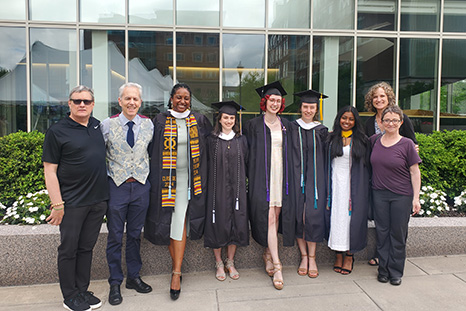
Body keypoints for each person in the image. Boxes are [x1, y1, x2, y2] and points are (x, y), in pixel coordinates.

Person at [43, 85, 109, 311]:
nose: (82, 105)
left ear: (92, 104)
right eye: (77, 101)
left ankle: (82, 290)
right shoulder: (57, 131)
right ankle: (69, 295)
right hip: (71, 203)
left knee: (86, 248)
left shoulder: (97, 125)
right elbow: (50, 171)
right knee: (69, 249)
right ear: (69, 103)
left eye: (87, 101)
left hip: (97, 201)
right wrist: (57, 204)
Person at [145, 83, 212, 300]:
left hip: (189, 180)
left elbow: (210, 147)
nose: (182, 102)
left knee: (179, 221)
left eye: (186, 98)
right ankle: (178, 268)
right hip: (166, 181)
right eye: (178, 97)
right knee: (171, 221)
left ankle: (176, 273)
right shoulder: (161, 120)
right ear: (171, 99)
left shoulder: (199, 120)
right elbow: (150, 148)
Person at [100, 83, 153, 306]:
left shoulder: (149, 125)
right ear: (119, 101)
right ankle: (115, 282)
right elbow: (96, 156)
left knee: (134, 234)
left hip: (140, 186)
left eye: (136, 99)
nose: (132, 102)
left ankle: (133, 277)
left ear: (140, 102)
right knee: (114, 236)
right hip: (117, 187)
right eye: (127, 98)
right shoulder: (106, 125)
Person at [244, 81, 294, 290]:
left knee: (277, 215)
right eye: (271, 100)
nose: (274, 103)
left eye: (278, 101)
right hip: (261, 178)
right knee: (270, 217)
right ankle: (277, 264)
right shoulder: (253, 125)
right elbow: (246, 154)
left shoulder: (287, 125)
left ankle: (266, 253)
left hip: (281, 176)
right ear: (264, 102)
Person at [364, 82, 418, 266]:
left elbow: (413, 145)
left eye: (382, 96)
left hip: (399, 179)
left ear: (389, 98)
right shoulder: (369, 123)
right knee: (382, 223)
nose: (378, 100)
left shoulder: (401, 119)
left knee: (397, 225)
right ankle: (381, 255)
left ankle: (395, 262)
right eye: (375, 97)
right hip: (378, 180)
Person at [370, 105, 421, 286]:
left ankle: (396, 271)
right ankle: (383, 270)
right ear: (381, 123)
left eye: (394, 120)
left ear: (401, 122)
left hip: (401, 195)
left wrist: (416, 198)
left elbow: (415, 172)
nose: (390, 123)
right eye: (387, 120)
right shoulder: (374, 140)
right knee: (382, 233)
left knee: (398, 234)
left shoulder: (407, 144)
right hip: (379, 194)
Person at [204, 101, 249, 281]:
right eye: (226, 118)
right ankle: (218, 263)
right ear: (220, 119)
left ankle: (230, 261)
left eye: (232, 118)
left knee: (236, 223)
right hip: (217, 191)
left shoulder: (241, 140)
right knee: (218, 223)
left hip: (237, 191)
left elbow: (246, 162)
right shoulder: (211, 140)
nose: (229, 121)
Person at [327, 106, 371, 275]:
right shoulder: (331, 138)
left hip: (354, 185)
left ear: (355, 121)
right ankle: (338, 253)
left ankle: (349, 255)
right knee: (337, 218)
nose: (347, 121)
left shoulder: (362, 140)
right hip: (335, 184)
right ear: (339, 119)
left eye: (351, 119)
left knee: (350, 219)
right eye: (344, 118)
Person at [289, 90, 328, 278]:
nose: (308, 110)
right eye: (305, 106)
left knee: (312, 215)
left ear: (316, 109)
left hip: (316, 180)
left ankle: (312, 257)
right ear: (300, 108)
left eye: (312, 107)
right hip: (295, 178)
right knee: (298, 215)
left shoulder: (322, 130)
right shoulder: (290, 128)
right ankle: (303, 256)